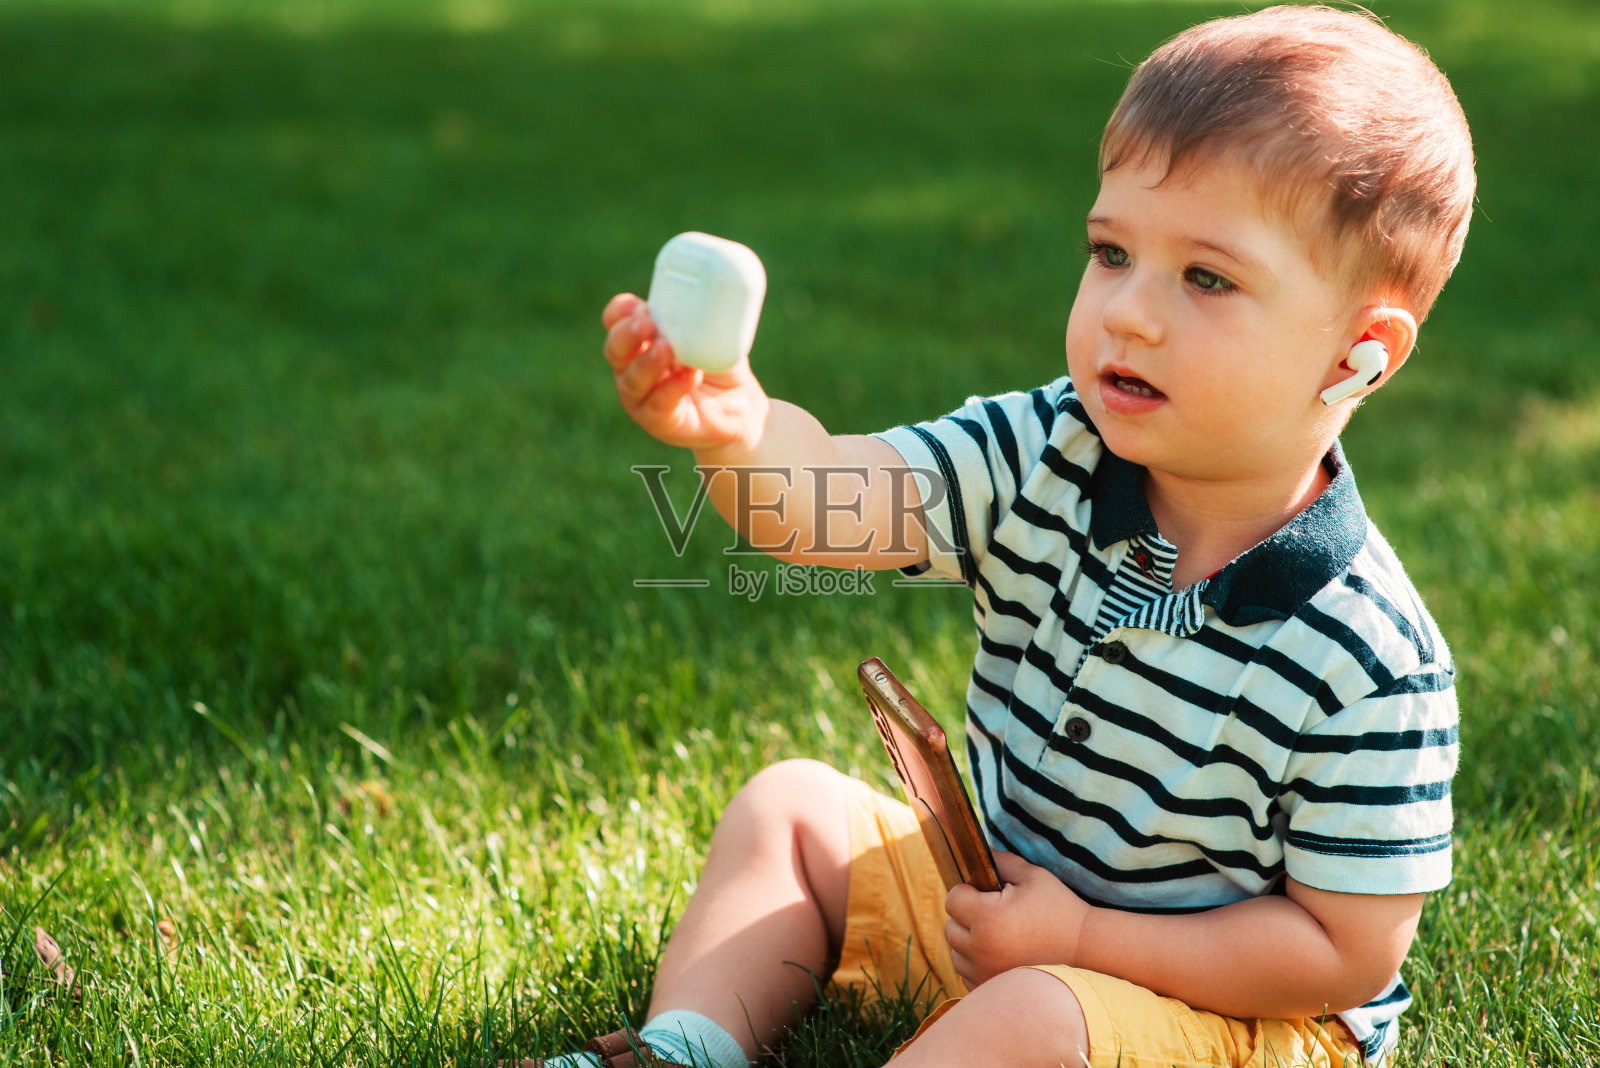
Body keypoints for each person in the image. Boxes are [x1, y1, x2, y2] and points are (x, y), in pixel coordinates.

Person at [542, 4, 1473, 1066]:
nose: (1128, 311)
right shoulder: (1046, 449)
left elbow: (1339, 951)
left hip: (1222, 1016)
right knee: (790, 810)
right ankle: (683, 1049)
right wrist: (739, 432)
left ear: (1360, 352)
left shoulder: (1369, 657)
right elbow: (832, 501)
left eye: (1205, 277)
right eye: (1111, 251)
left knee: (1029, 1019)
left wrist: (1080, 942)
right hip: (997, 909)